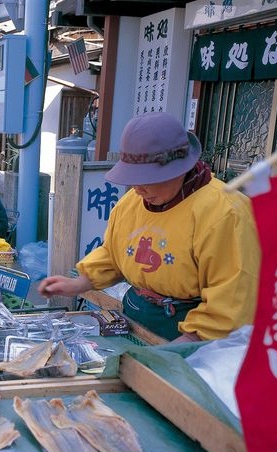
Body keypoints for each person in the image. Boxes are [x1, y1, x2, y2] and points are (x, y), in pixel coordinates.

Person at [38, 112, 261, 343]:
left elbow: (232, 296)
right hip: (137, 311)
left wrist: (180, 349)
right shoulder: (132, 202)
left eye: (148, 178)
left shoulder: (225, 211)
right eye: (134, 178)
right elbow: (114, 252)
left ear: (180, 169)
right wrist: (77, 284)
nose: (138, 188)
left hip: (192, 329)